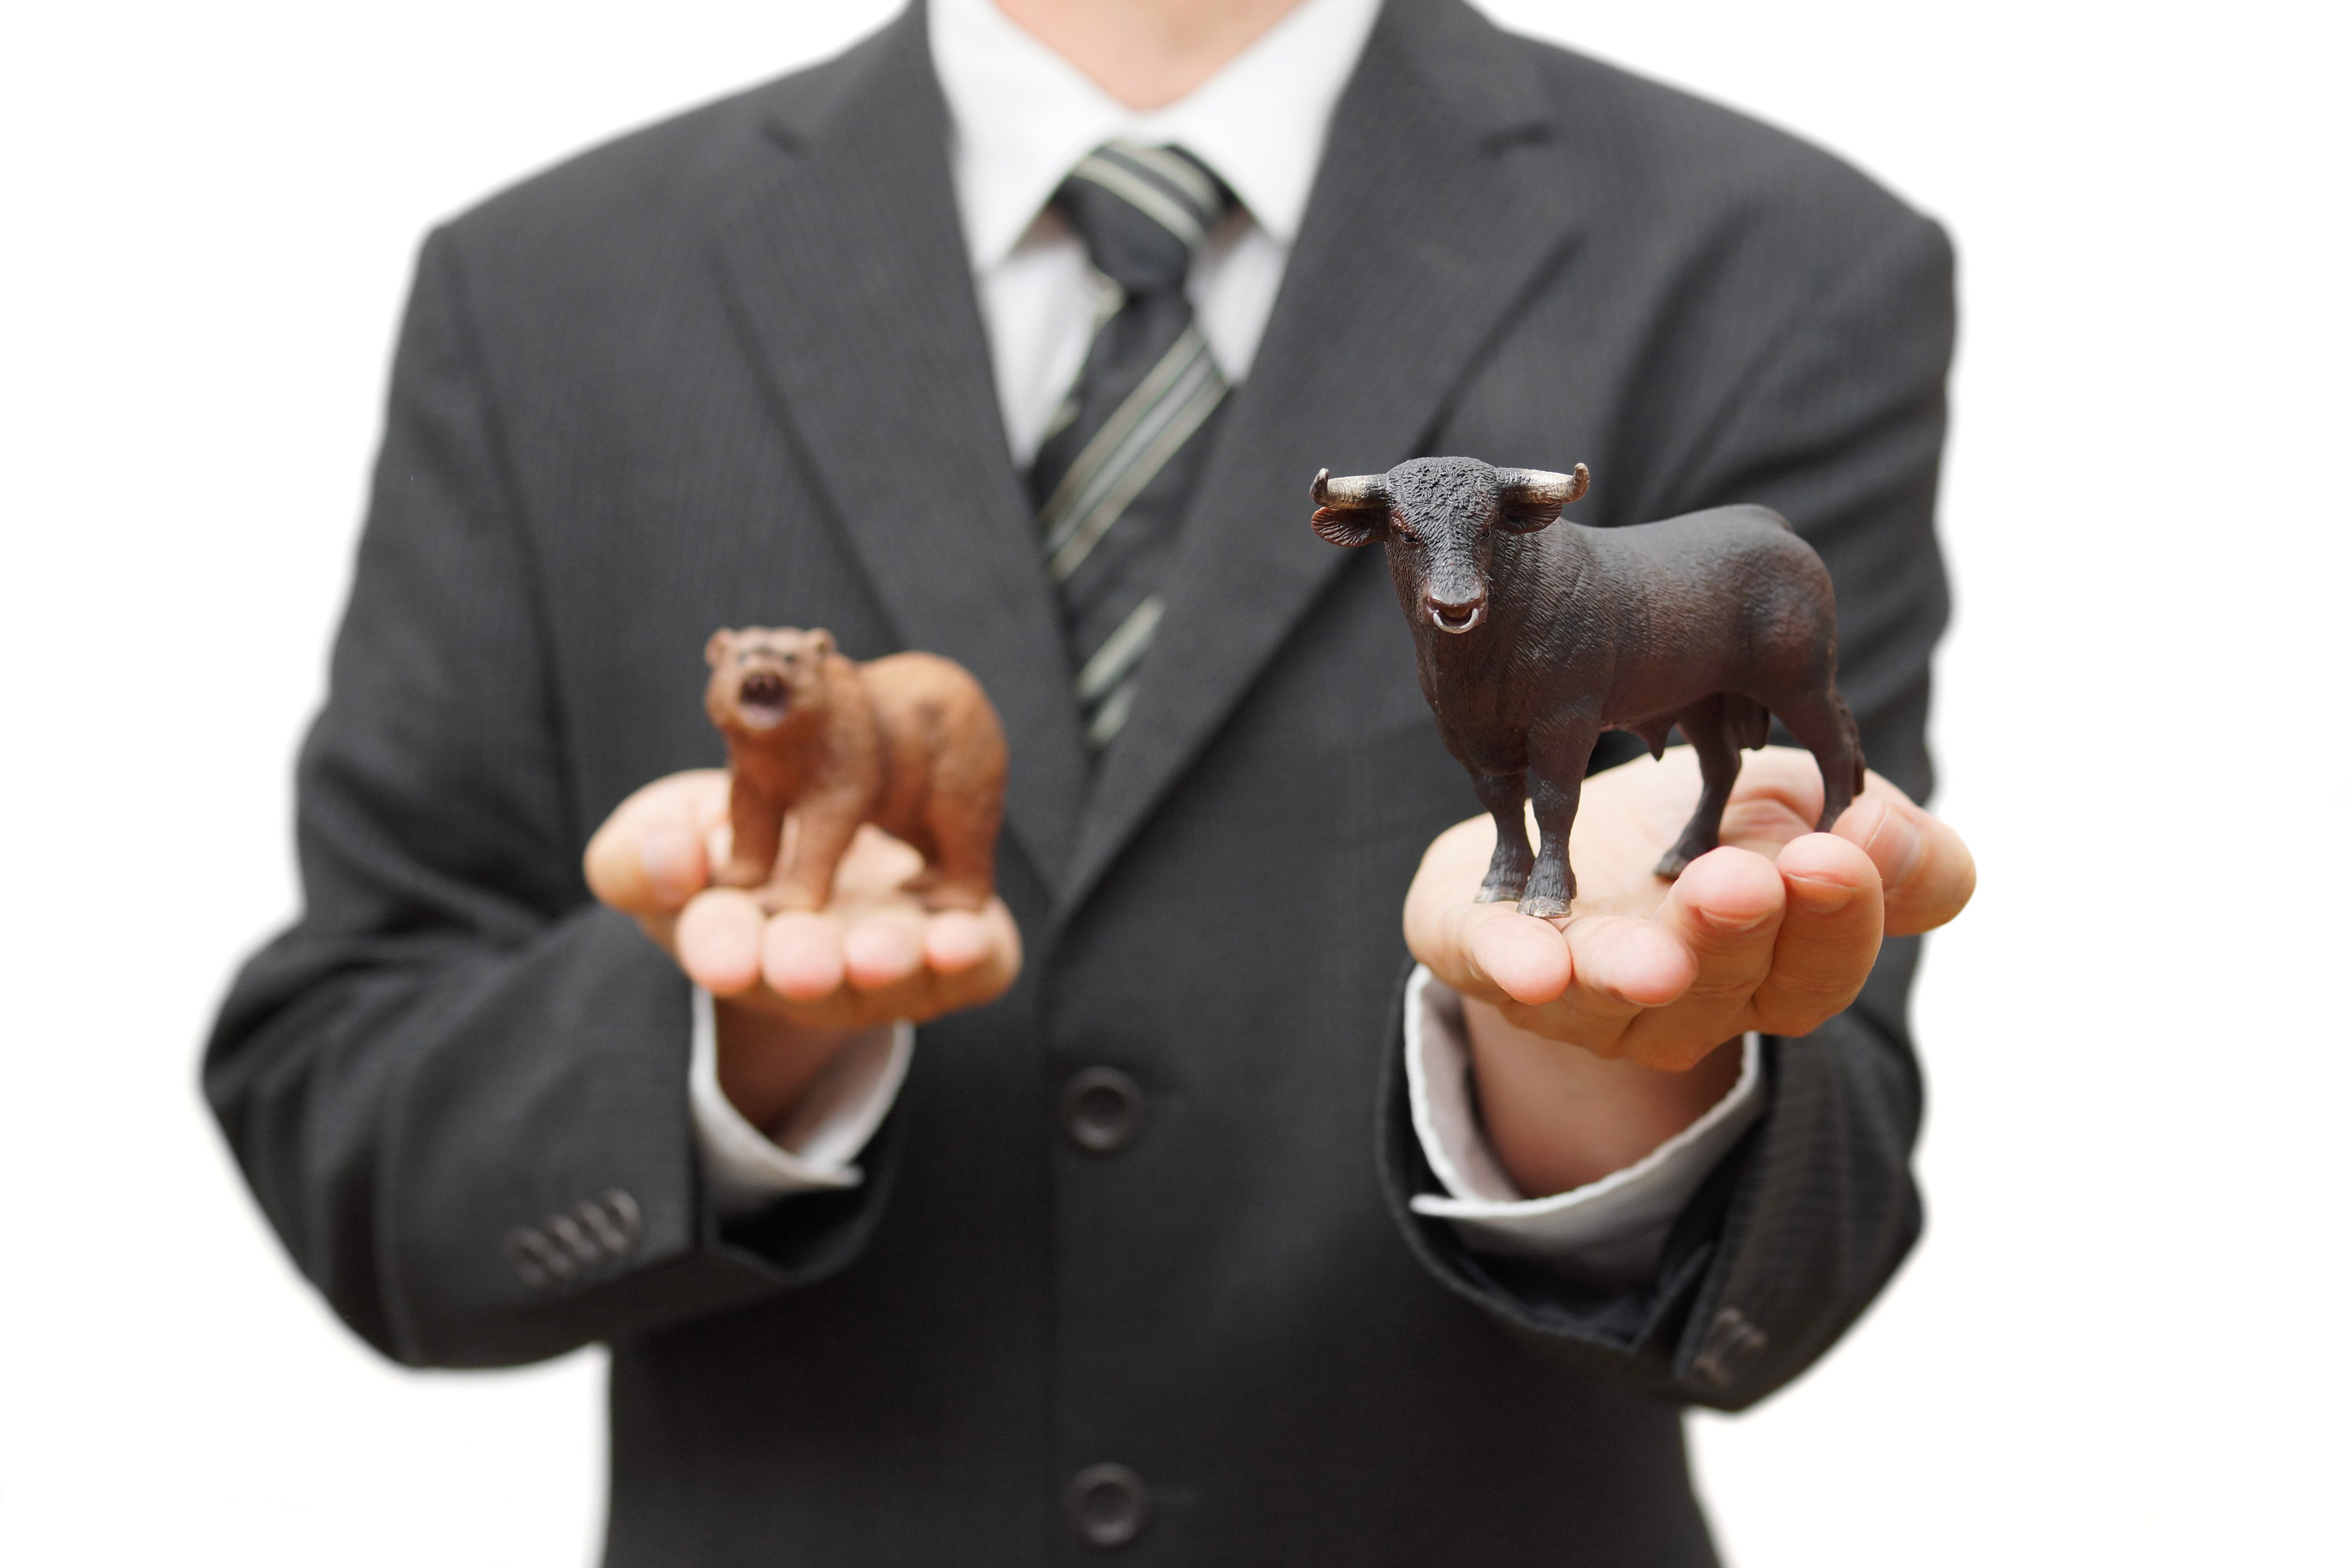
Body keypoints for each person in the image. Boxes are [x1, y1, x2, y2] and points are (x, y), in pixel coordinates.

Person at [204, 0, 1976, 1559]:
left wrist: (1583, 1041)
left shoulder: (1784, 263)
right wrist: (733, 1036)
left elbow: (1824, 1215)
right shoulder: (544, 297)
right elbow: (347, 1110)